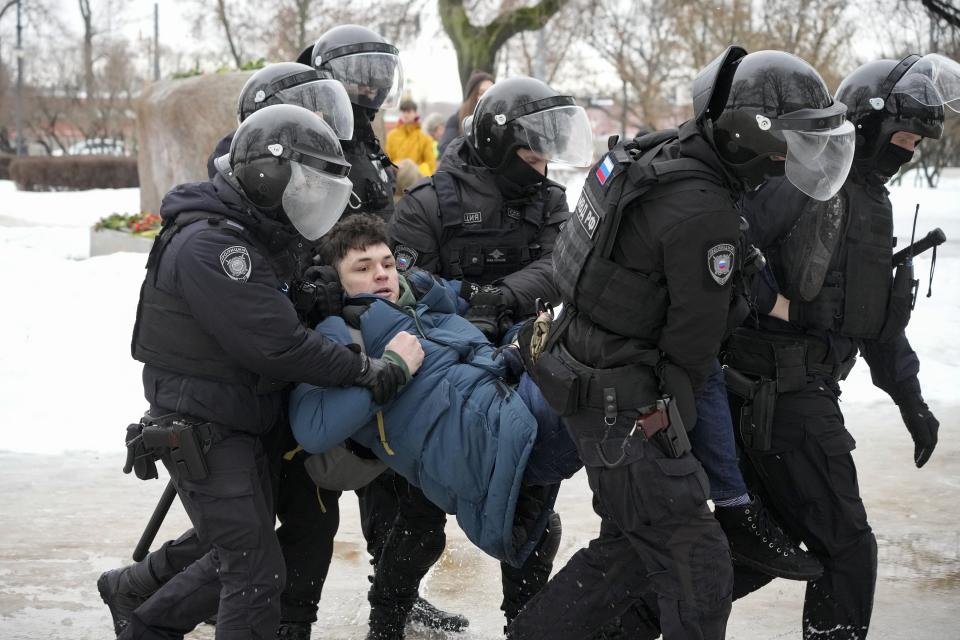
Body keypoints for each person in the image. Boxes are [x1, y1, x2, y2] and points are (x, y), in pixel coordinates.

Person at [507, 47, 857, 640]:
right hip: (626, 406)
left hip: (589, 375)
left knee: (626, 553)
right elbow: (695, 345)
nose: (795, 157)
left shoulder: (659, 155)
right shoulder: (702, 211)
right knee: (700, 565)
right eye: (792, 142)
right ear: (754, 136)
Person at [109, 104, 417, 640]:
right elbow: (277, 344)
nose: (307, 201)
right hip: (205, 421)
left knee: (239, 555)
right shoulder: (216, 245)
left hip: (238, 412)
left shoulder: (253, 232)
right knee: (253, 571)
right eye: (303, 186)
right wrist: (367, 372)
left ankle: (142, 616)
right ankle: (141, 613)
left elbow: (279, 308)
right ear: (269, 176)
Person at [725, 52, 957, 640]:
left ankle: (610, 620)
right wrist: (786, 308)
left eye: (915, 143)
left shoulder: (870, 199)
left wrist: (911, 400)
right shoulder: (804, 178)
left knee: (757, 555)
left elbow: (874, 319)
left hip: (800, 392)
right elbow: (725, 256)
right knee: (848, 549)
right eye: (902, 136)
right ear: (869, 122)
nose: (907, 152)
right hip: (779, 394)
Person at [379, 76, 590, 635]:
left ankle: (524, 623)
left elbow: (562, 266)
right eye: (533, 147)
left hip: (526, 373)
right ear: (500, 142)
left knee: (532, 515)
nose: (544, 160)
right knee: (421, 516)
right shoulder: (428, 203)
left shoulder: (549, 200)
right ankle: (388, 618)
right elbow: (396, 285)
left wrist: (501, 297)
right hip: (446, 382)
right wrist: (461, 310)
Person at [297, 25, 468, 637]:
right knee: (286, 497)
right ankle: (161, 586)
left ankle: (394, 592)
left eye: (378, 69)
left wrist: (396, 272)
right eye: (356, 70)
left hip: (371, 316)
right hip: (310, 331)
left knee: (388, 479)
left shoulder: (367, 138)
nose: (369, 83)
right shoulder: (294, 125)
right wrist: (312, 282)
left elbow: (378, 224)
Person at [289, 213, 579, 565]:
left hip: (513, 413)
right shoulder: (340, 337)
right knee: (600, 370)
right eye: (362, 269)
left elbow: (472, 329)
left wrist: (515, 348)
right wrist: (392, 369)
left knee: (591, 347)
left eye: (386, 263)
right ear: (337, 283)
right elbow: (313, 429)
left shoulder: (426, 307)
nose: (381, 274)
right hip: (491, 446)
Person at [298, 24, 403, 222]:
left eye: (376, 82)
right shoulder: (309, 145)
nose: (371, 89)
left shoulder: (371, 146)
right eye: (361, 81)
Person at [438, 71, 494, 158]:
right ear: (472, 95)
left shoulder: (499, 121)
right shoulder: (455, 120)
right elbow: (446, 149)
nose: (487, 96)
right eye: (481, 93)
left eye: (491, 92)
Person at [385, 99, 437, 176]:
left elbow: (430, 165)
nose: (405, 115)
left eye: (409, 112)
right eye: (403, 112)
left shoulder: (425, 138)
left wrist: (414, 172)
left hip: (416, 181)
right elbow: (387, 161)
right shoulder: (392, 136)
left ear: (415, 113)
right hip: (395, 179)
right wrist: (395, 167)